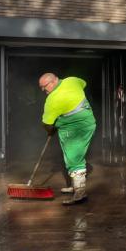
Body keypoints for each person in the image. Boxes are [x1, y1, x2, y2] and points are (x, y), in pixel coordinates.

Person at [39, 73, 96, 205]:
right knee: (69, 156)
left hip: (75, 129)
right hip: (87, 122)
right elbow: (84, 83)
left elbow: (47, 123)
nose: (43, 90)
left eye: (44, 87)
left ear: (52, 82)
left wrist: (50, 130)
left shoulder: (52, 100)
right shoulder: (73, 80)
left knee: (74, 158)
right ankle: (75, 186)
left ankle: (80, 194)